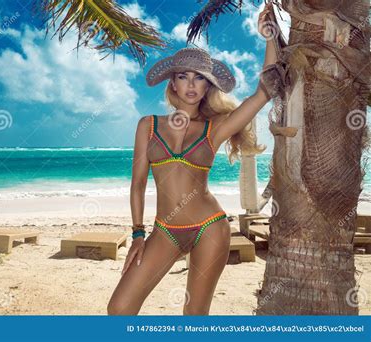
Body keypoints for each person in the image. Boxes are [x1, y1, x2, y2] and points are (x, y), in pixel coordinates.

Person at [107, 3, 277, 315]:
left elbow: (263, 93)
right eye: (183, 77)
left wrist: (269, 36)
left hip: (209, 227)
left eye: (199, 78)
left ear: (207, 85)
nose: (190, 85)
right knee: (119, 308)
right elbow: (138, 184)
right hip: (164, 231)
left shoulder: (215, 129)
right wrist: (137, 233)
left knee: (194, 317)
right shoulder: (148, 126)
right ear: (172, 82)